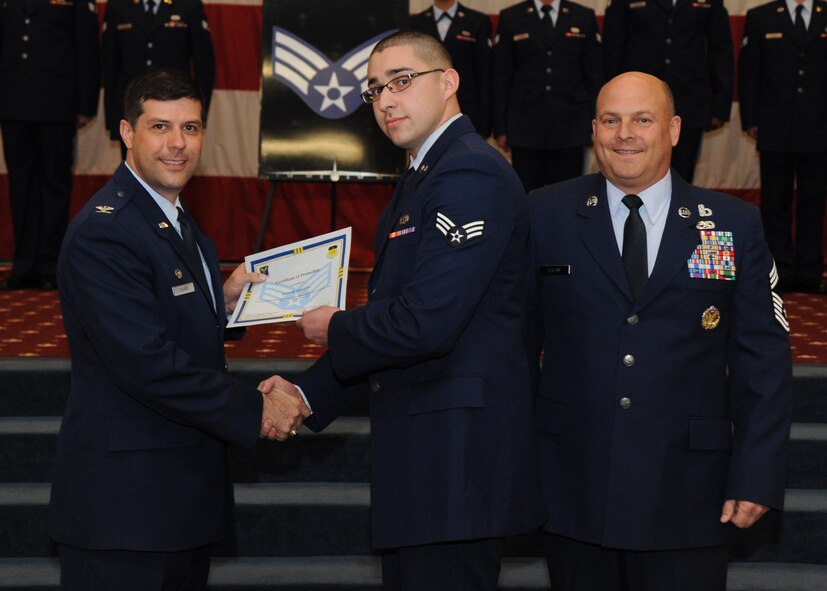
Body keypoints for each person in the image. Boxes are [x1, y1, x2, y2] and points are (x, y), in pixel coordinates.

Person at [259, 30, 544, 591]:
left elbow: (425, 322)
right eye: (373, 90)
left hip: (456, 464)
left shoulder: (467, 172)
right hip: (429, 464)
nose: (386, 99)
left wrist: (334, 327)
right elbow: (399, 331)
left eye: (402, 82)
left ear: (449, 82)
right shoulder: (423, 174)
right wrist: (306, 395)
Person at [527, 72, 792, 591]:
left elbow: (762, 359)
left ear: (672, 129)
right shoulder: (543, 213)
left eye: (642, 120)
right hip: (572, 485)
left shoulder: (732, 224)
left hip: (690, 493)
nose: (625, 133)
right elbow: (512, 346)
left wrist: (757, 474)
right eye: (611, 120)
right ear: (594, 130)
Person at [48, 68, 308, 590]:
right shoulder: (107, 231)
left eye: (190, 128)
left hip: (177, 502)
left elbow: (162, 317)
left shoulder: (175, 218)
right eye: (160, 127)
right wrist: (257, 410)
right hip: (125, 512)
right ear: (126, 132)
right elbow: (147, 364)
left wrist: (222, 302)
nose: (177, 145)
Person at [0, 0, 100, 290]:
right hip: (13, 101)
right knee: (20, 185)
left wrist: (86, 105)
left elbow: (86, 46)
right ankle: (23, 266)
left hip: (57, 102)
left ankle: (49, 264)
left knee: (54, 185)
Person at [738, 0, 827, 294]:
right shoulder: (760, 17)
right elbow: (750, 72)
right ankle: (779, 271)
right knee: (775, 204)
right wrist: (750, 119)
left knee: (813, 203)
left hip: (819, 127)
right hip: (774, 126)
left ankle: (810, 271)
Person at [602, 0, 733, 183]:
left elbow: (720, 48)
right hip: (636, 102)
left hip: (689, 101)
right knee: (633, 169)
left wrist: (719, 106)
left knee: (682, 175)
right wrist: (609, 101)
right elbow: (612, 48)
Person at [492, 0, 604, 192]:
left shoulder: (583, 16)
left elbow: (594, 75)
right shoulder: (511, 16)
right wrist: (500, 127)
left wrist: (598, 122)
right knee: (526, 196)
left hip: (571, 125)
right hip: (524, 125)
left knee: (569, 195)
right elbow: (501, 75)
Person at [101, 0, 215, 157]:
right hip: (132, 109)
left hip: (176, 110)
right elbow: (110, 66)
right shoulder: (118, 6)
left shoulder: (189, 5)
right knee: (133, 170)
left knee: (173, 167)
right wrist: (112, 117)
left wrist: (198, 114)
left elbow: (204, 66)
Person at [409, 0, 493, 137]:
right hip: (424, 112)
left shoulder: (478, 21)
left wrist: (485, 124)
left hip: (468, 112)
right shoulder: (415, 23)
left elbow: (484, 75)